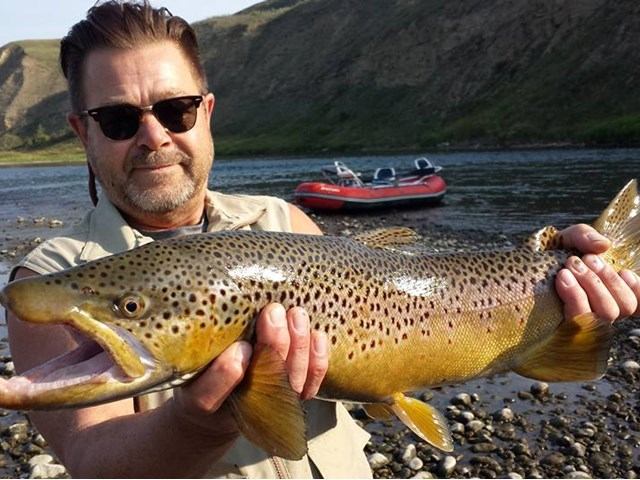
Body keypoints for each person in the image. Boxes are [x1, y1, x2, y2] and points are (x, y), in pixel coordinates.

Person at [5, 1, 640, 478]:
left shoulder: (286, 222)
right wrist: (209, 416)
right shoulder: (57, 274)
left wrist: (569, 283)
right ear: (80, 133)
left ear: (206, 113)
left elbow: (422, 313)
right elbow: (93, 457)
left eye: (175, 111)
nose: (153, 137)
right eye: (118, 119)